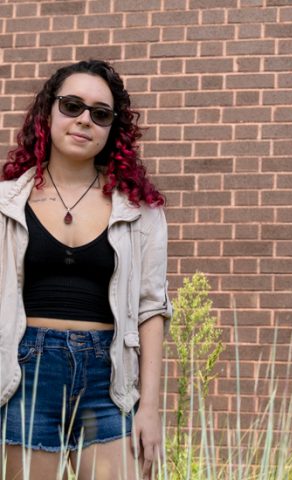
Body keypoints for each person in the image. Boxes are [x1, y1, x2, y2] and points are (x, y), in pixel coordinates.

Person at [0, 59, 172, 479]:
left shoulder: (140, 211)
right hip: (25, 372)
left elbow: (151, 309)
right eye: (72, 105)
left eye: (100, 113)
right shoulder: (6, 203)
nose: (83, 121)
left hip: (109, 378)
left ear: (113, 128)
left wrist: (148, 408)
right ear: (48, 112)